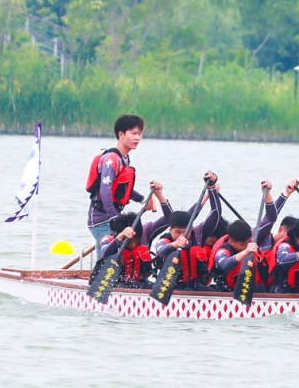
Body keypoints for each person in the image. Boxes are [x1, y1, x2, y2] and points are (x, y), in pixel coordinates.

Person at [151, 173, 223, 289]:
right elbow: (161, 250)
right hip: (170, 287)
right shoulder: (165, 241)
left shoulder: (199, 235)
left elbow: (216, 214)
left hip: (197, 286)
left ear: (191, 229)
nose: (182, 235)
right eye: (177, 232)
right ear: (170, 230)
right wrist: (174, 245)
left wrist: (211, 188)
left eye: (185, 231)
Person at [86, 114, 145, 251]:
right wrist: (116, 219)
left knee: (108, 257)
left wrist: (142, 200)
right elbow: (105, 191)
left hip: (111, 218)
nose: (137, 138)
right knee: (110, 257)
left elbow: (122, 188)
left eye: (139, 134)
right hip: (102, 220)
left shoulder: (124, 158)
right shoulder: (111, 159)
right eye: (133, 133)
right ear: (121, 134)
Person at [98, 180, 174, 285]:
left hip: (141, 282)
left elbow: (170, 219)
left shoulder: (146, 231)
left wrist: (160, 195)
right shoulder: (110, 239)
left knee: (140, 250)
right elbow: (105, 254)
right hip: (114, 283)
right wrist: (119, 238)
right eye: (129, 240)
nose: (133, 244)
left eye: (136, 239)